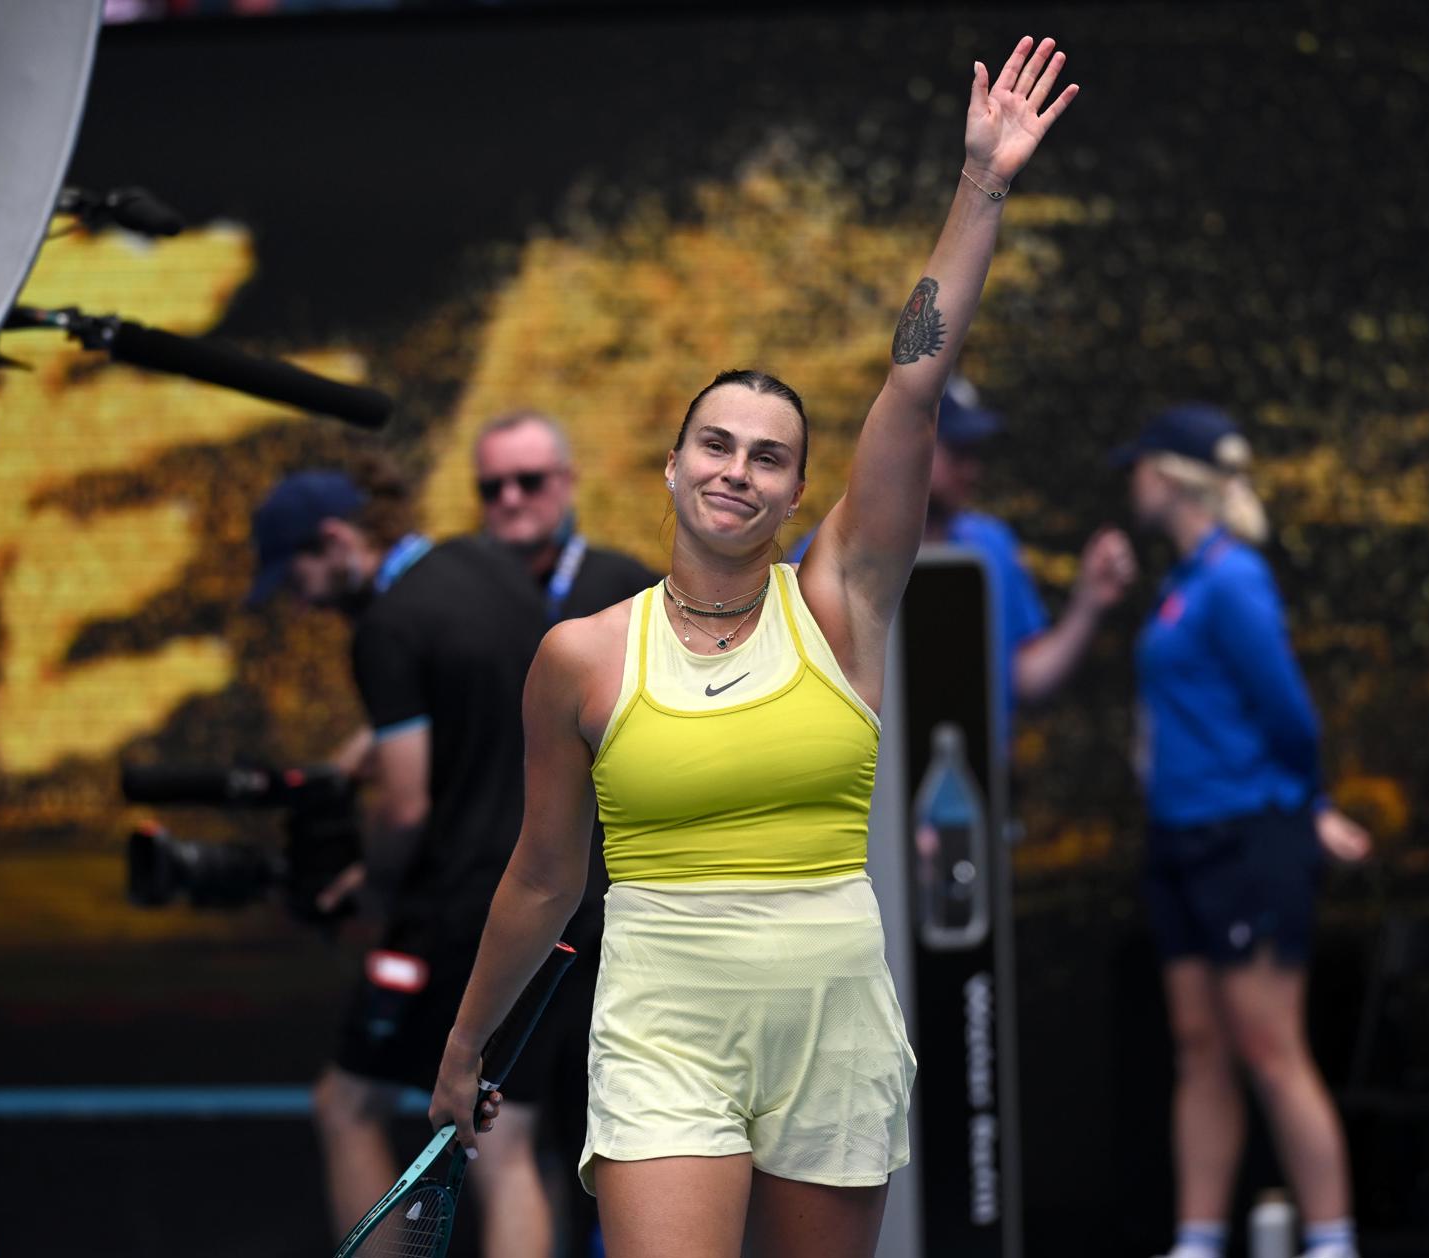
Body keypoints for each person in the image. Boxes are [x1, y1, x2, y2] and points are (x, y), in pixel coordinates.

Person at [426, 35, 1081, 1258]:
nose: (738, 469)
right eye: (715, 444)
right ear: (670, 468)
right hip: (661, 1022)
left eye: (769, 455)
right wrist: (466, 1048)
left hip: (831, 1019)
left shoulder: (840, 601)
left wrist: (981, 185)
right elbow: (542, 876)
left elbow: (913, 388)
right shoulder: (581, 657)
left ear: (796, 496)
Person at [247, 438, 653, 1256]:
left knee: (349, 1106)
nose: (300, 601)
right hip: (567, 895)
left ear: (334, 541)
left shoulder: (387, 630)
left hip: (462, 910)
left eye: (296, 577)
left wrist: (371, 888)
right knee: (514, 1144)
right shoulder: (491, 570)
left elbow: (406, 803)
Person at [1078, 404, 1373, 1258]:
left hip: (1248, 839)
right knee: (1199, 1045)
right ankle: (1199, 1240)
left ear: (1167, 477)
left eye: (1139, 467)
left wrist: (1307, 805)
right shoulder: (1182, 583)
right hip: (1179, 842)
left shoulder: (1234, 579)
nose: (1131, 481)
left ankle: (1331, 1239)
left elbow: (1290, 714)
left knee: (1269, 1047)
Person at [790, 373, 1137, 749]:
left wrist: (1087, 604)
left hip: (975, 789)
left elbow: (1022, 679)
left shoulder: (991, 547)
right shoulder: (830, 550)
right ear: (902, 445)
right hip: (868, 795)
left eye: (977, 454)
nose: (972, 470)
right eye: (957, 452)